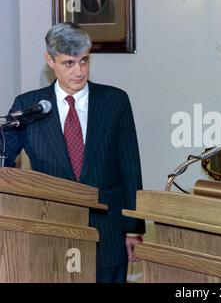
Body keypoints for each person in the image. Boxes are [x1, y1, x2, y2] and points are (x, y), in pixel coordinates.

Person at [3, 23, 145, 283]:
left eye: (84, 61)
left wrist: (133, 230)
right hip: (51, 230)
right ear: (50, 60)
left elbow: (130, 167)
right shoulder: (29, 107)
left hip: (109, 233)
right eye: (69, 63)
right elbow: (5, 163)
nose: (79, 71)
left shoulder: (115, 101)